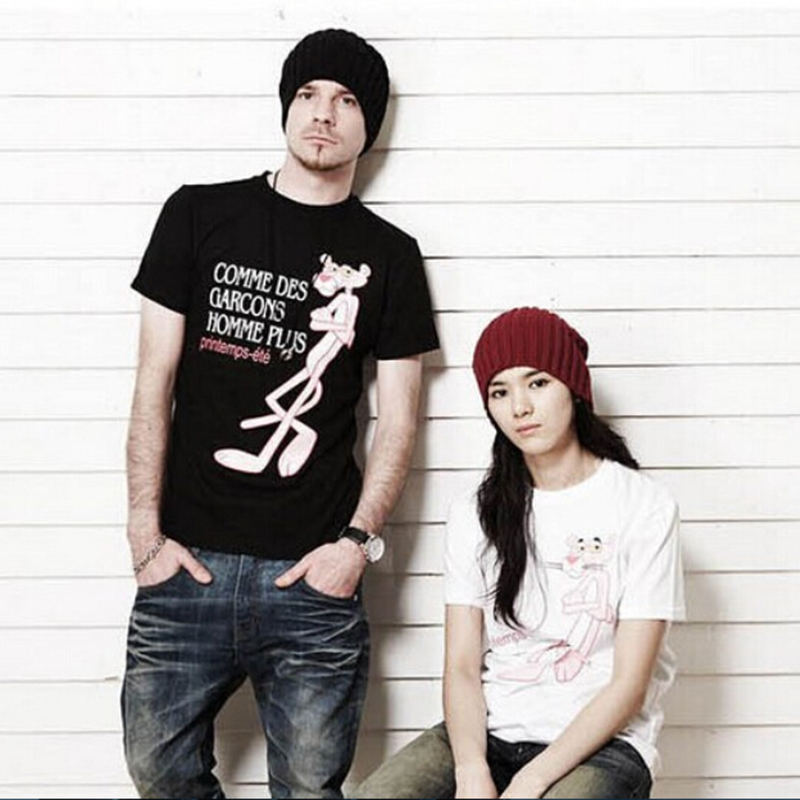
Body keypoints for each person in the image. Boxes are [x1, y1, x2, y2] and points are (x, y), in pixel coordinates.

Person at [121, 28, 439, 800]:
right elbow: (152, 383)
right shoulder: (197, 214)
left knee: (308, 789)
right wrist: (143, 534)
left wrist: (354, 546)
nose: (323, 113)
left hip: (312, 581)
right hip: (186, 566)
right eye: (308, 94)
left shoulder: (390, 255)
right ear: (287, 108)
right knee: (157, 770)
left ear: (370, 124)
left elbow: (400, 421)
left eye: (347, 100)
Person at [353, 307, 685, 799]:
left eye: (538, 383)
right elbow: (462, 667)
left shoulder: (644, 506)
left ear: (573, 387)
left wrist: (531, 780)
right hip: (488, 734)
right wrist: (471, 769)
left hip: (604, 746)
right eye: (500, 392)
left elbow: (629, 685)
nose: (520, 407)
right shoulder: (474, 513)